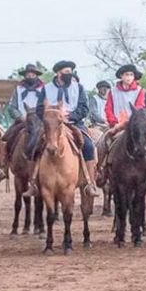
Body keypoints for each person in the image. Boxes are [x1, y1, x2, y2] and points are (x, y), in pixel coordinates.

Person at [25, 60, 100, 197]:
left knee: (88, 146)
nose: (69, 75)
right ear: (58, 73)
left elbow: (84, 108)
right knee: (32, 145)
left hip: (73, 123)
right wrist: (50, 116)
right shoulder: (46, 88)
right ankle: (33, 184)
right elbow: (40, 108)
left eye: (71, 72)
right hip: (51, 124)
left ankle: (90, 183)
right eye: (66, 72)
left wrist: (71, 116)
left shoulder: (79, 87)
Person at [101, 64, 146, 173]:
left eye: (131, 75)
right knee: (103, 141)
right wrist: (114, 122)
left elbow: (139, 107)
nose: (129, 77)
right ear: (121, 76)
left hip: (135, 125)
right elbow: (108, 108)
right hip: (116, 125)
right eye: (126, 75)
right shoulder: (113, 91)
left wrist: (132, 122)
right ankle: (102, 168)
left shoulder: (140, 91)